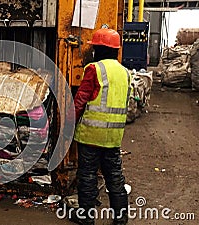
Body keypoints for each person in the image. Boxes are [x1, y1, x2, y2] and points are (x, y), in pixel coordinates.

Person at [71, 28, 131, 225]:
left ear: (100, 49)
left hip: (91, 135)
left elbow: (81, 100)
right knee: (115, 176)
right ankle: (120, 219)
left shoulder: (94, 69)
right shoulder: (125, 73)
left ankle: (86, 218)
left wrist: (68, 124)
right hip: (113, 136)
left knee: (87, 176)